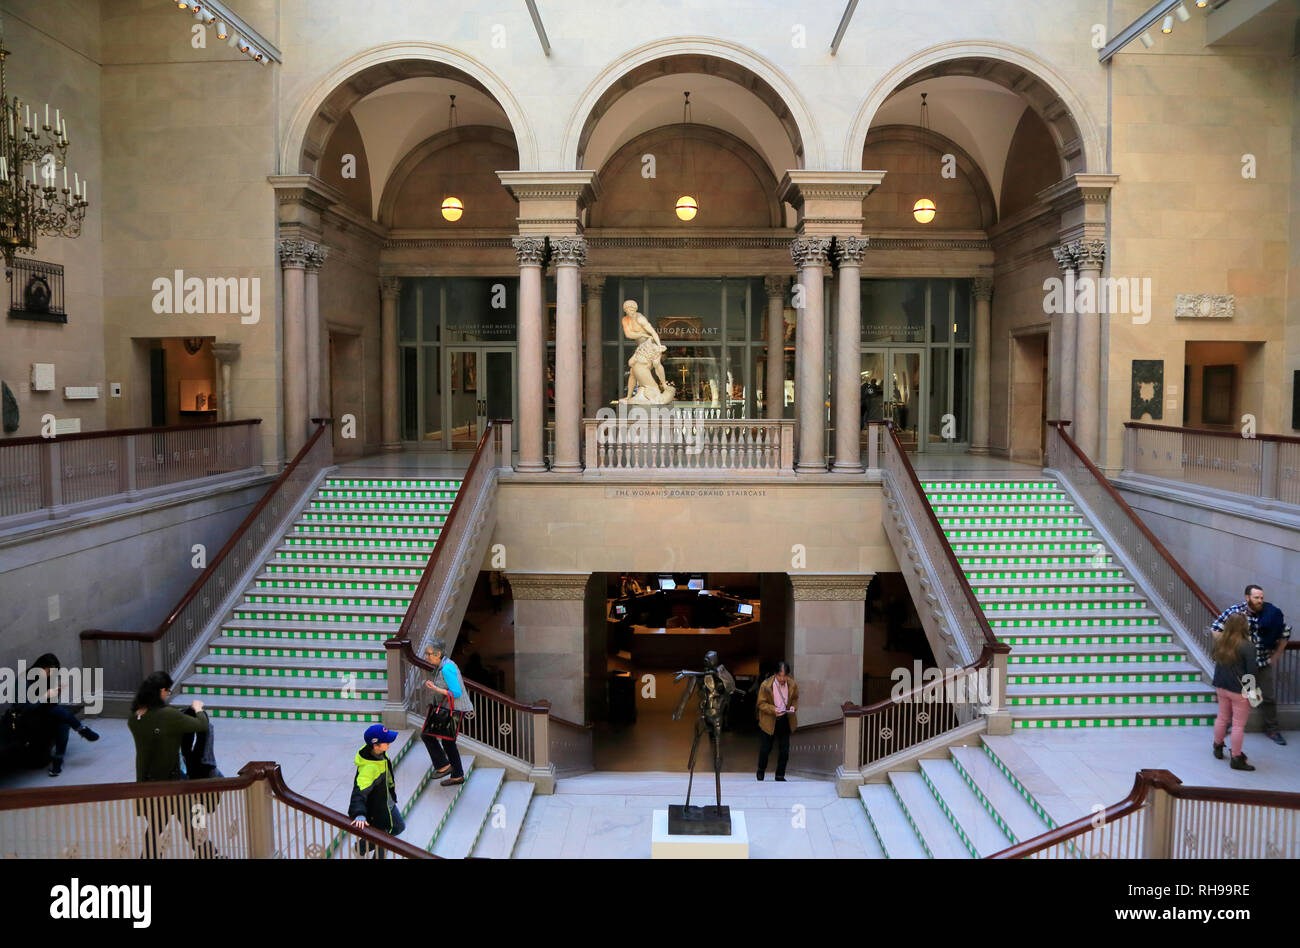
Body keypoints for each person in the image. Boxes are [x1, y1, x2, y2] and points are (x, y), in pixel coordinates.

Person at [127, 671, 215, 857]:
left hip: (149, 783)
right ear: (160, 691)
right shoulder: (168, 715)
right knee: (194, 822)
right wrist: (198, 708)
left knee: (155, 827)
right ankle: (209, 854)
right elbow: (202, 725)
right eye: (167, 690)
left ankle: (148, 856)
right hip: (174, 783)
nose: (168, 694)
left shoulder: (136, 718)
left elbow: (144, 722)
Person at [1211, 584, 1291, 745]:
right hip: (1239, 666)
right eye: (1256, 597)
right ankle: (1227, 727)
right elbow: (1215, 628)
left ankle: (1272, 729)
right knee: (1237, 697)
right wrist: (1230, 649)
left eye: (1261, 597)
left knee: (1268, 697)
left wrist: (1276, 655)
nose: (1260, 600)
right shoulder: (1236, 612)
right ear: (1247, 597)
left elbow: (1286, 631)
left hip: (1261, 663)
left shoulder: (1271, 613)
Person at [19, 653, 99, 777]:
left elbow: (51, 703)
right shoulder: (24, 680)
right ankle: (81, 729)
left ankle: (58, 760)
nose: (51, 674)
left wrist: (56, 693)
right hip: (28, 717)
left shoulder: (48, 678)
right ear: (40, 666)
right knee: (61, 714)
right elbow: (24, 706)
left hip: (45, 713)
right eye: (49, 670)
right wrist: (45, 696)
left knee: (62, 721)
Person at [422, 638, 474, 787]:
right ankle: (457, 775)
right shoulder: (443, 665)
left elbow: (456, 692)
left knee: (427, 735)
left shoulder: (446, 668)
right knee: (447, 741)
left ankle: (444, 766)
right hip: (451, 708)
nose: (427, 657)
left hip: (454, 709)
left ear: (438, 654)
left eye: (429, 654)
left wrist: (435, 688)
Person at [348, 723, 405, 857]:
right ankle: (361, 848)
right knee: (383, 839)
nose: (389, 744)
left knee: (398, 827)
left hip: (386, 803)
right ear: (376, 745)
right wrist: (359, 813)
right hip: (378, 810)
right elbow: (358, 793)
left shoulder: (379, 754)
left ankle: (361, 847)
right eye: (386, 742)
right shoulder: (369, 769)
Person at [1211, 613, 1258, 770]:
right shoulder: (1247, 645)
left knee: (1222, 717)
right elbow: (1251, 672)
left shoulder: (1220, 642)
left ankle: (1217, 746)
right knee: (1238, 725)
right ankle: (1236, 757)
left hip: (1221, 686)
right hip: (1239, 690)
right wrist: (1252, 692)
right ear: (1245, 626)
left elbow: (1214, 658)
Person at [755, 661, 798, 782]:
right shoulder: (766, 685)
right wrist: (773, 709)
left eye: (785, 676)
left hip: (785, 719)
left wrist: (793, 707)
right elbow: (761, 703)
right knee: (766, 749)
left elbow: (795, 699)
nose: (782, 678)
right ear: (775, 674)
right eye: (780, 675)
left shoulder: (792, 685)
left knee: (784, 749)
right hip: (769, 720)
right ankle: (761, 771)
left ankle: (780, 775)